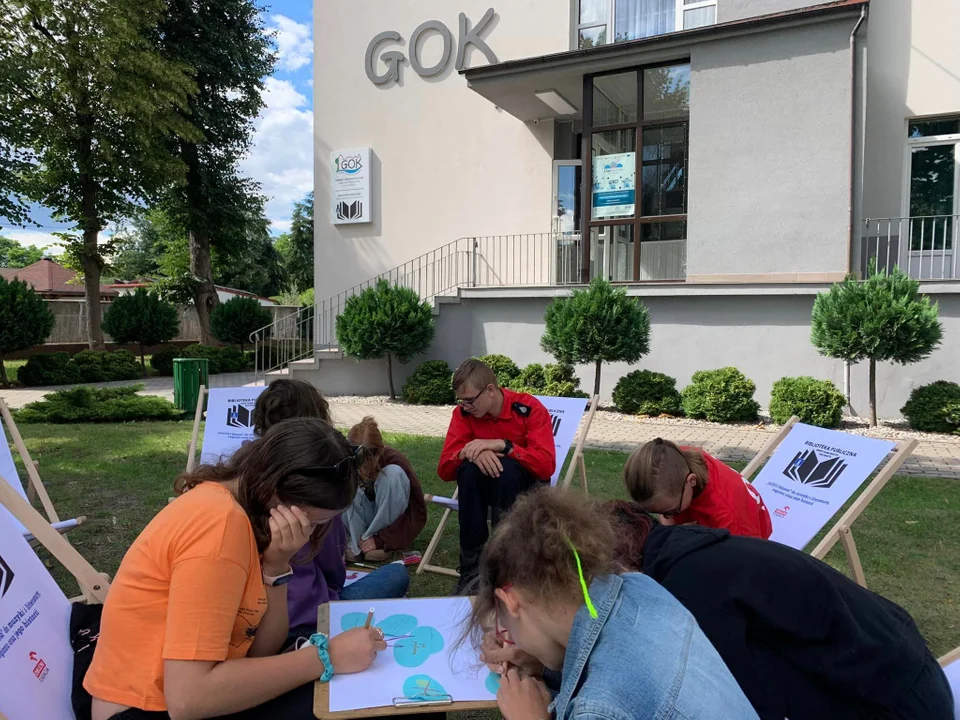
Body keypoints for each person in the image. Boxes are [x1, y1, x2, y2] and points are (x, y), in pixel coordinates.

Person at [83, 419, 387, 720]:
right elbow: (188, 699)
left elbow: (259, 652)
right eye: (315, 522)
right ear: (277, 496)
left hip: (176, 695)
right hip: (143, 709)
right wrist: (326, 657)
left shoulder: (237, 508)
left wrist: (277, 566)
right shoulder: (219, 528)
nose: (310, 532)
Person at [605, 500, 955, 720]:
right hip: (904, 663)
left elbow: (744, 706)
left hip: (898, 701)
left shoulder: (691, 588)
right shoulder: (684, 549)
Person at [466, 488, 758, 720]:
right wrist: (543, 668)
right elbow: (614, 660)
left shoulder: (598, 708)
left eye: (507, 629)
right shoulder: (639, 588)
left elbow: (615, 693)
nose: (512, 638)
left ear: (511, 601)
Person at [251, 381, 408, 636]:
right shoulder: (319, 484)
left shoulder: (243, 476)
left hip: (263, 622)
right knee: (396, 574)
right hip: (308, 618)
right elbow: (333, 573)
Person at [438, 359, 556, 589]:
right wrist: (470, 452)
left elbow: (546, 466)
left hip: (523, 490)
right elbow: (444, 469)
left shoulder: (528, 409)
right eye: (462, 402)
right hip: (483, 488)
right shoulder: (463, 414)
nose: (466, 407)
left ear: (490, 390)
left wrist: (505, 446)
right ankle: (471, 569)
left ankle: (506, 565)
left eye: (470, 400)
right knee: (469, 470)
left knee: (507, 469)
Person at [624, 436, 772, 538]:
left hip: (743, 544)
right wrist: (673, 531)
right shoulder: (674, 459)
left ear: (691, 481)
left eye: (669, 512)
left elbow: (742, 565)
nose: (664, 517)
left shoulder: (729, 517)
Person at [343, 416, 426, 561]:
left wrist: (382, 539)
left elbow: (416, 509)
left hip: (388, 525)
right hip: (360, 520)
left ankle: (383, 544)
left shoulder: (394, 459)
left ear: (380, 450)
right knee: (344, 484)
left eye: (371, 457)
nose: (365, 467)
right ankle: (356, 544)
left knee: (393, 475)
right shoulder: (346, 461)